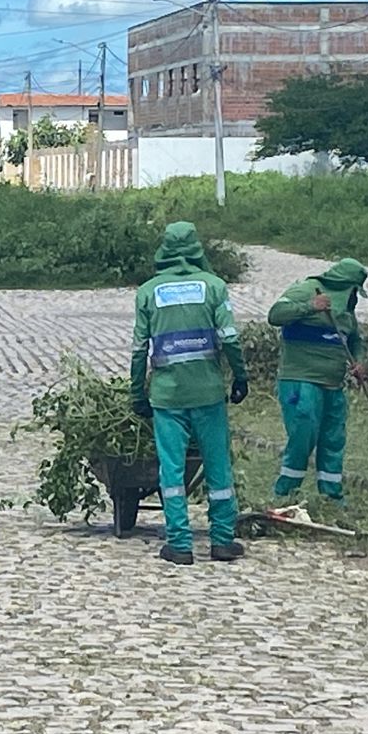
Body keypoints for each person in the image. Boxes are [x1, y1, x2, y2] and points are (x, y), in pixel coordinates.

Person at [129, 221, 249, 565]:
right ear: (197, 248)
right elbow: (229, 338)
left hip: (167, 396)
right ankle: (222, 540)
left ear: (163, 249)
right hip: (208, 393)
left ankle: (179, 544)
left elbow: (139, 350)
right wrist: (240, 376)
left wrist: (137, 394)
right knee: (217, 467)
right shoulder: (214, 287)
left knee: (172, 469)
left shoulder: (148, 292)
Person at [266, 257, 368, 503]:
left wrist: (359, 361)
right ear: (346, 285)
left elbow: (355, 340)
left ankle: (331, 495)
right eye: (354, 291)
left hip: (333, 384)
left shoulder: (346, 311)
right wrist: (311, 307)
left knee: (333, 438)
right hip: (301, 380)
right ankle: (285, 491)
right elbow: (275, 315)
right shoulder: (306, 290)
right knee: (304, 433)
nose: (355, 297)